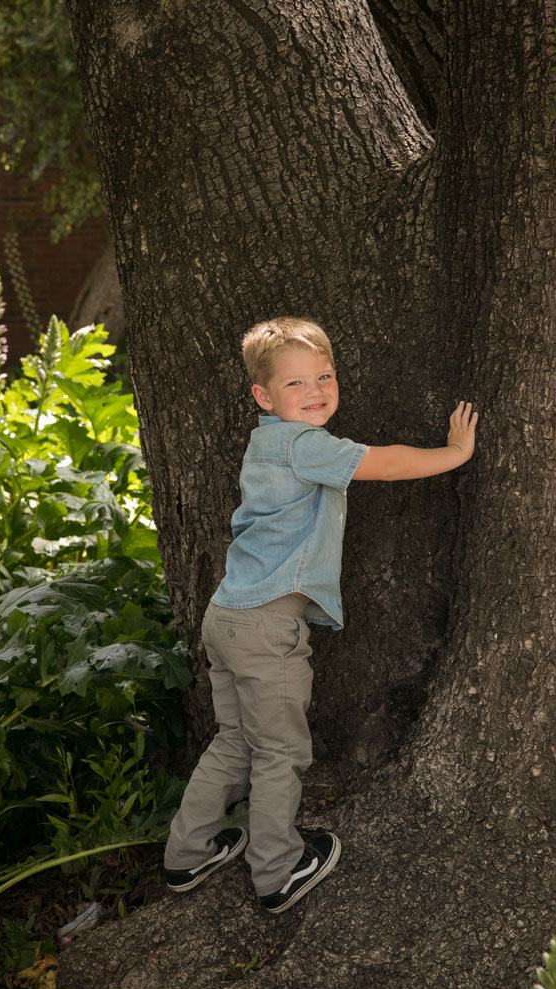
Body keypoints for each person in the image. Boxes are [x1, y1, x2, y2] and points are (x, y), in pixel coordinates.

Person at [164, 316, 478, 914]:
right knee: (279, 753)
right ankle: (277, 871)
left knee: (235, 741)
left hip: (226, 617)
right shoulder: (304, 446)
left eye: (325, 376)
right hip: (265, 628)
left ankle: (187, 853)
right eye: (295, 384)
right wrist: (455, 453)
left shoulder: (265, 443)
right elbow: (383, 464)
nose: (315, 391)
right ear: (263, 396)